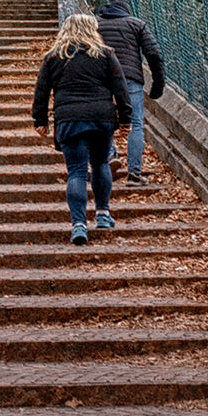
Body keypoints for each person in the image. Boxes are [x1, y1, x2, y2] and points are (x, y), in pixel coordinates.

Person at [31, 13, 131, 247]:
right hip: (101, 118)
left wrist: (40, 119)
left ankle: (78, 224)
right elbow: (121, 89)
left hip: (69, 120)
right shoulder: (106, 55)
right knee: (100, 164)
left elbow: (42, 91)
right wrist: (126, 119)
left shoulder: (53, 57)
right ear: (93, 29)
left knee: (76, 171)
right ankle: (103, 214)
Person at [93, 0, 165, 187]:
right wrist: (158, 84)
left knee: (103, 120)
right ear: (126, 10)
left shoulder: (95, 24)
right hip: (130, 78)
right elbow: (153, 54)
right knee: (135, 124)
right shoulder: (136, 24)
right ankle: (134, 174)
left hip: (102, 78)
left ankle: (109, 154)